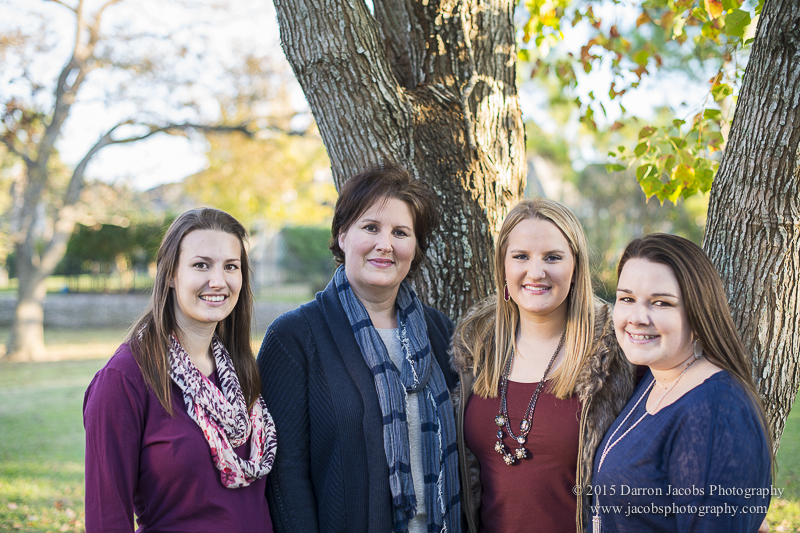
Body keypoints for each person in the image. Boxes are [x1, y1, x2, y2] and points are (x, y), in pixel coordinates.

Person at [257, 163, 461, 533]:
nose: (385, 244)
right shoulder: (294, 338)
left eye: (400, 232)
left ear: (415, 248)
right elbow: (284, 476)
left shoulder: (439, 331)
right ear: (342, 236)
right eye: (371, 228)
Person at [451, 197, 638, 533]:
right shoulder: (477, 347)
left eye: (553, 257)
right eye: (521, 256)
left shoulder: (618, 350)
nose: (536, 272)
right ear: (503, 266)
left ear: (576, 266)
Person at [83, 208, 276, 533]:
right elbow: (107, 518)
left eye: (231, 266)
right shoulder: (125, 378)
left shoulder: (241, 370)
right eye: (201, 265)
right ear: (170, 275)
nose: (218, 281)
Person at [591, 233, 773, 532]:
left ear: (698, 312)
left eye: (661, 303)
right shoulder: (658, 375)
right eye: (627, 299)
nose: (637, 317)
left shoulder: (714, 411)